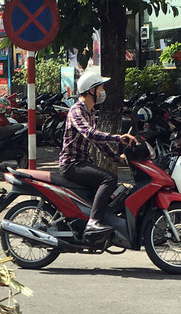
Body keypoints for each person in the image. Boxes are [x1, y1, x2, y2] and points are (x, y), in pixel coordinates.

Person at [59, 71, 139, 233]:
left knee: (114, 190)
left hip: (82, 162)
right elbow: (90, 133)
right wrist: (118, 138)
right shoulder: (77, 110)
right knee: (109, 178)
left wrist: (117, 158)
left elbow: (97, 142)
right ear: (91, 91)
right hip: (71, 164)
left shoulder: (90, 111)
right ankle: (93, 222)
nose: (103, 92)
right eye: (100, 88)